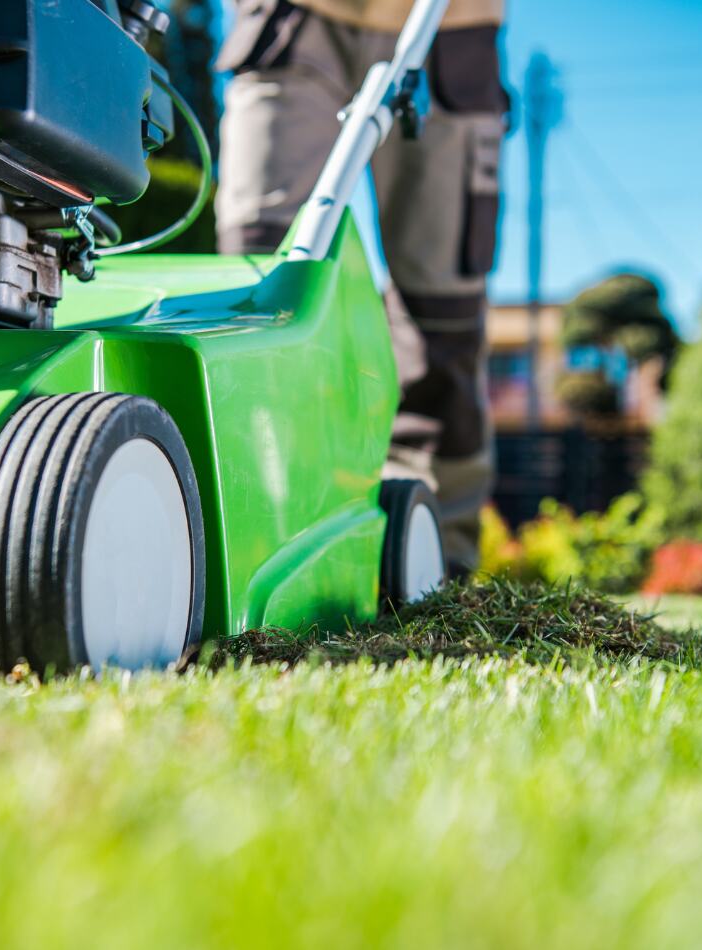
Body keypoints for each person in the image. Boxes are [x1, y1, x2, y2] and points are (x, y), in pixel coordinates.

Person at [214, 0, 507, 575]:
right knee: (258, 285)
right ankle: (246, 535)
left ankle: (434, 562)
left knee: (442, 318)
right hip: (293, 20)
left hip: (453, 27)